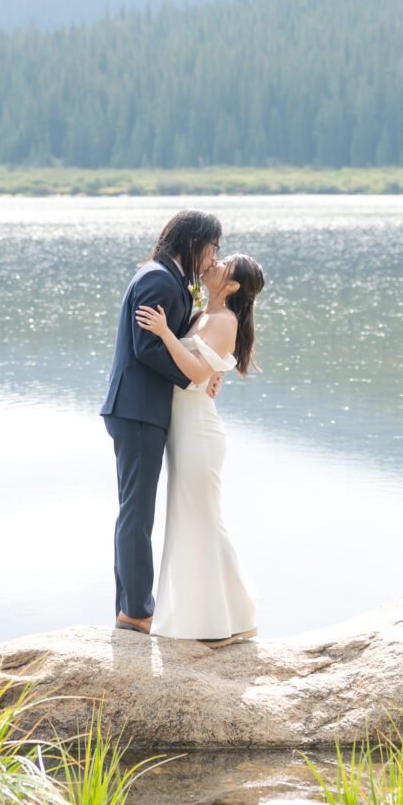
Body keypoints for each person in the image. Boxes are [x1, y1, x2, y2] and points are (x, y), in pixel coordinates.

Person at [99, 209, 221, 634]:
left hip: (142, 410)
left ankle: (130, 606)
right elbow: (146, 347)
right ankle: (135, 610)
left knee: (135, 510)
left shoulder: (169, 278)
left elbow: (172, 341)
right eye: (212, 248)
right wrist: (191, 377)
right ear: (193, 242)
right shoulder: (156, 278)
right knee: (136, 512)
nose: (213, 259)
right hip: (135, 410)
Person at [135, 253, 266, 644]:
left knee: (201, 519)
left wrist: (162, 332)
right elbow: (203, 369)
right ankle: (230, 615)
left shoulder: (226, 322)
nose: (214, 262)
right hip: (184, 427)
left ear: (234, 285)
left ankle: (219, 622)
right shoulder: (203, 314)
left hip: (199, 432)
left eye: (223, 263)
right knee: (192, 519)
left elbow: (195, 373)